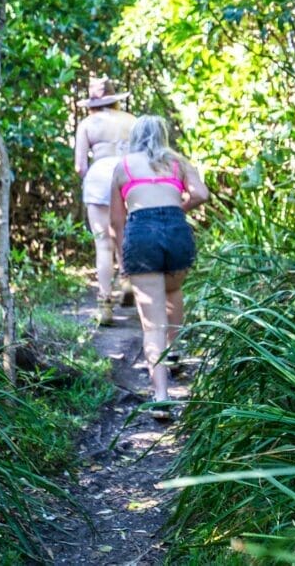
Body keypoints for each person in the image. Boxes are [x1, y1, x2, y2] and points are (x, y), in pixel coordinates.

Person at [110, 115, 209, 419]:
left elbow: (116, 221)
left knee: (152, 324)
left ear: (135, 137)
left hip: (142, 235)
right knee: (174, 289)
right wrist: (177, 208)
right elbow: (201, 194)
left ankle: (162, 396)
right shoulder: (177, 162)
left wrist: (120, 256)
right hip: (176, 231)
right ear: (163, 136)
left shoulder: (123, 166)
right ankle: (174, 349)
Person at [74, 77, 137, 325]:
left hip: (100, 174)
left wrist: (87, 180)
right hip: (128, 173)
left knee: (103, 244)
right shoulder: (131, 121)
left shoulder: (87, 124)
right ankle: (128, 279)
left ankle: (105, 305)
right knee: (126, 234)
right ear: (114, 100)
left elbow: (80, 165)